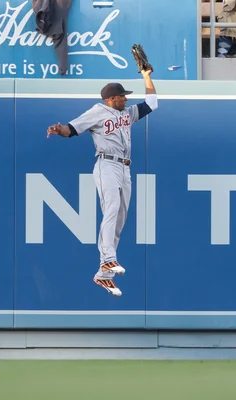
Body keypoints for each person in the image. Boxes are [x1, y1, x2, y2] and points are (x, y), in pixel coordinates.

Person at [46, 69, 158, 297]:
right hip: (107, 165)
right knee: (112, 209)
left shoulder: (126, 113)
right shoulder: (97, 111)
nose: (126, 99)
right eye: (122, 96)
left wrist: (147, 76)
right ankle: (108, 259)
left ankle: (104, 275)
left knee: (120, 218)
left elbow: (152, 103)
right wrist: (60, 130)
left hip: (125, 167)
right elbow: (72, 129)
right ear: (111, 99)